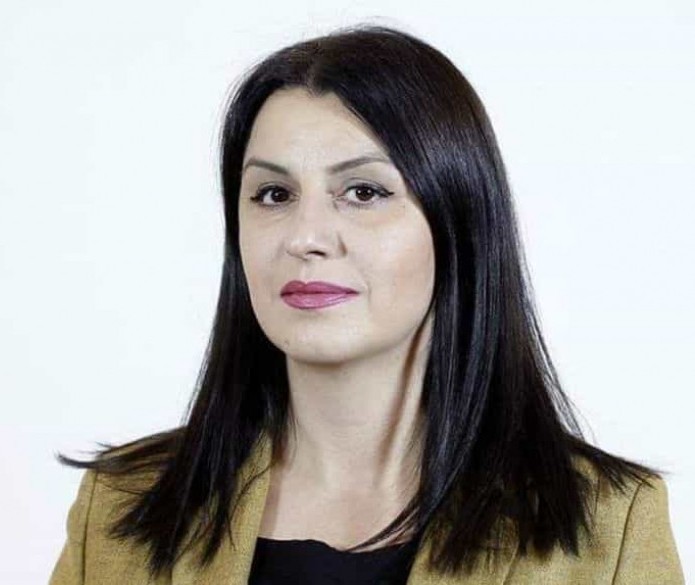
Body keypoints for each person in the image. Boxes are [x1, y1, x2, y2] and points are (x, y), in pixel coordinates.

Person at [49, 24, 685, 584]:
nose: (306, 237)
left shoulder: (607, 527)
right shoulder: (119, 508)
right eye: (273, 194)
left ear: (457, 221)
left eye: (362, 191)